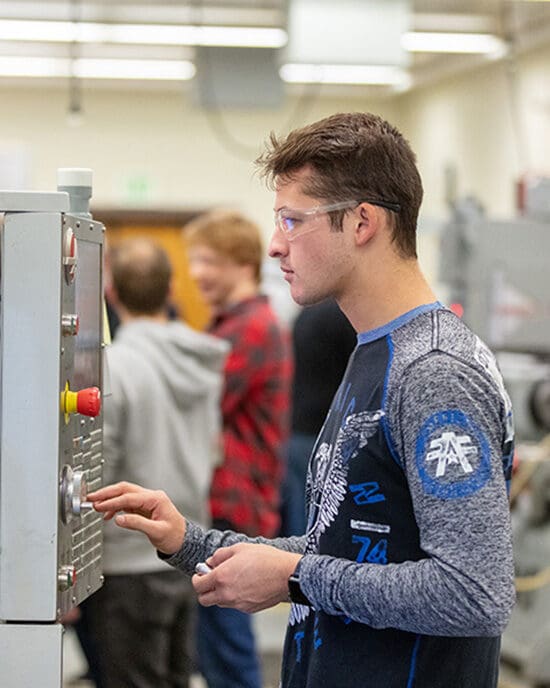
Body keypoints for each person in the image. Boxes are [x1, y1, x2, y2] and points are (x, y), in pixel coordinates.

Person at [89, 112, 516, 688]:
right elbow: (347, 544)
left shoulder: (434, 372)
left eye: (293, 221)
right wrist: (192, 542)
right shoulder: (374, 351)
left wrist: (297, 577)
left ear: (362, 222)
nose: (274, 245)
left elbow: (475, 591)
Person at [83, 238, 228, 688]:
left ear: (111, 292)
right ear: (170, 289)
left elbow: (97, 468)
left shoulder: (115, 367)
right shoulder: (204, 361)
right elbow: (214, 449)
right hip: (186, 550)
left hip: (125, 562)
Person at [183, 210, 293, 688]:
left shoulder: (250, 329)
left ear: (241, 262)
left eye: (207, 260)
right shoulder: (230, 325)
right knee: (215, 641)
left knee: (228, 646)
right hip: (225, 498)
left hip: (235, 501)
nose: (195, 273)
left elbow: (197, 403)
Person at [280, 299, 357, 537]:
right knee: (315, 524)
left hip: (296, 430)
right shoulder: (344, 317)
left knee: (299, 515)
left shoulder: (306, 314)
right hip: (322, 433)